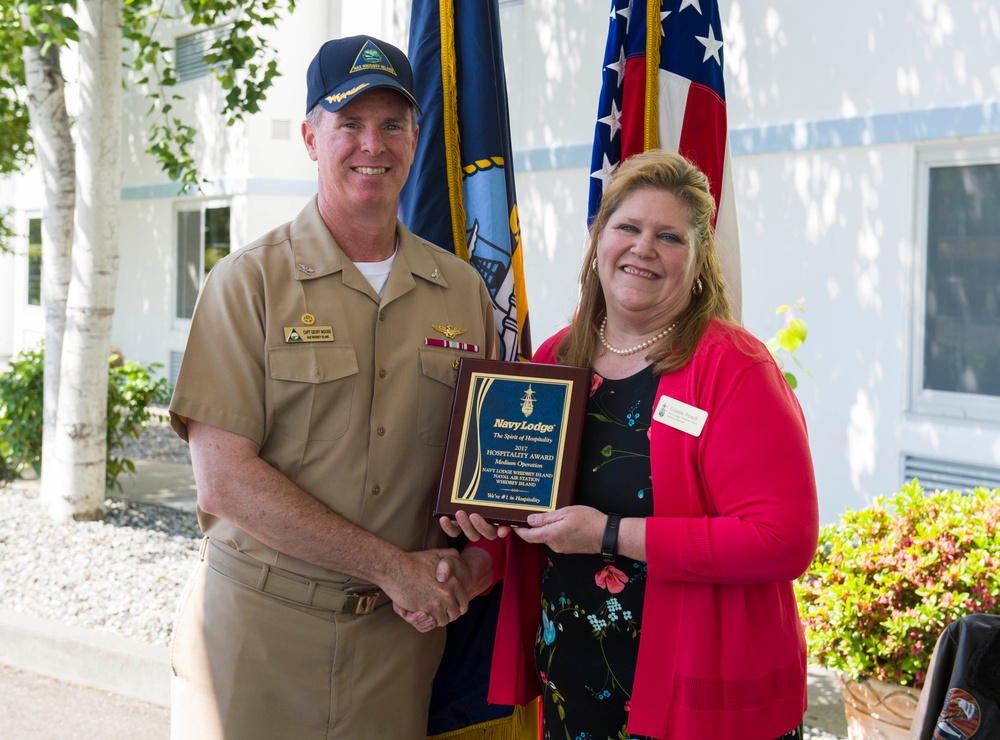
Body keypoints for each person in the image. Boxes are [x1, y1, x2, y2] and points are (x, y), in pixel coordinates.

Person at [413, 149, 820, 739]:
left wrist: (609, 533)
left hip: (697, 695)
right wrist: (470, 565)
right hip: (571, 682)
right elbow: (529, 513)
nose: (643, 248)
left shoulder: (734, 367)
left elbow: (783, 540)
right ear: (599, 240)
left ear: (700, 258)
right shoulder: (554, 359)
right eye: (627, 227)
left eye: (669, 237)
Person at [167, 35, 496, 739]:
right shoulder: (247, 283)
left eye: (392, 124)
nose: (371, 145)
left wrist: (472, 566)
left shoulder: (465, 293)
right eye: (349, 123)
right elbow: (223, 481)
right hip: (257, 636)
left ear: (416, 137)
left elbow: (482, 473)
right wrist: (393, 567)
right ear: (312, 136)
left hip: (396, 650)